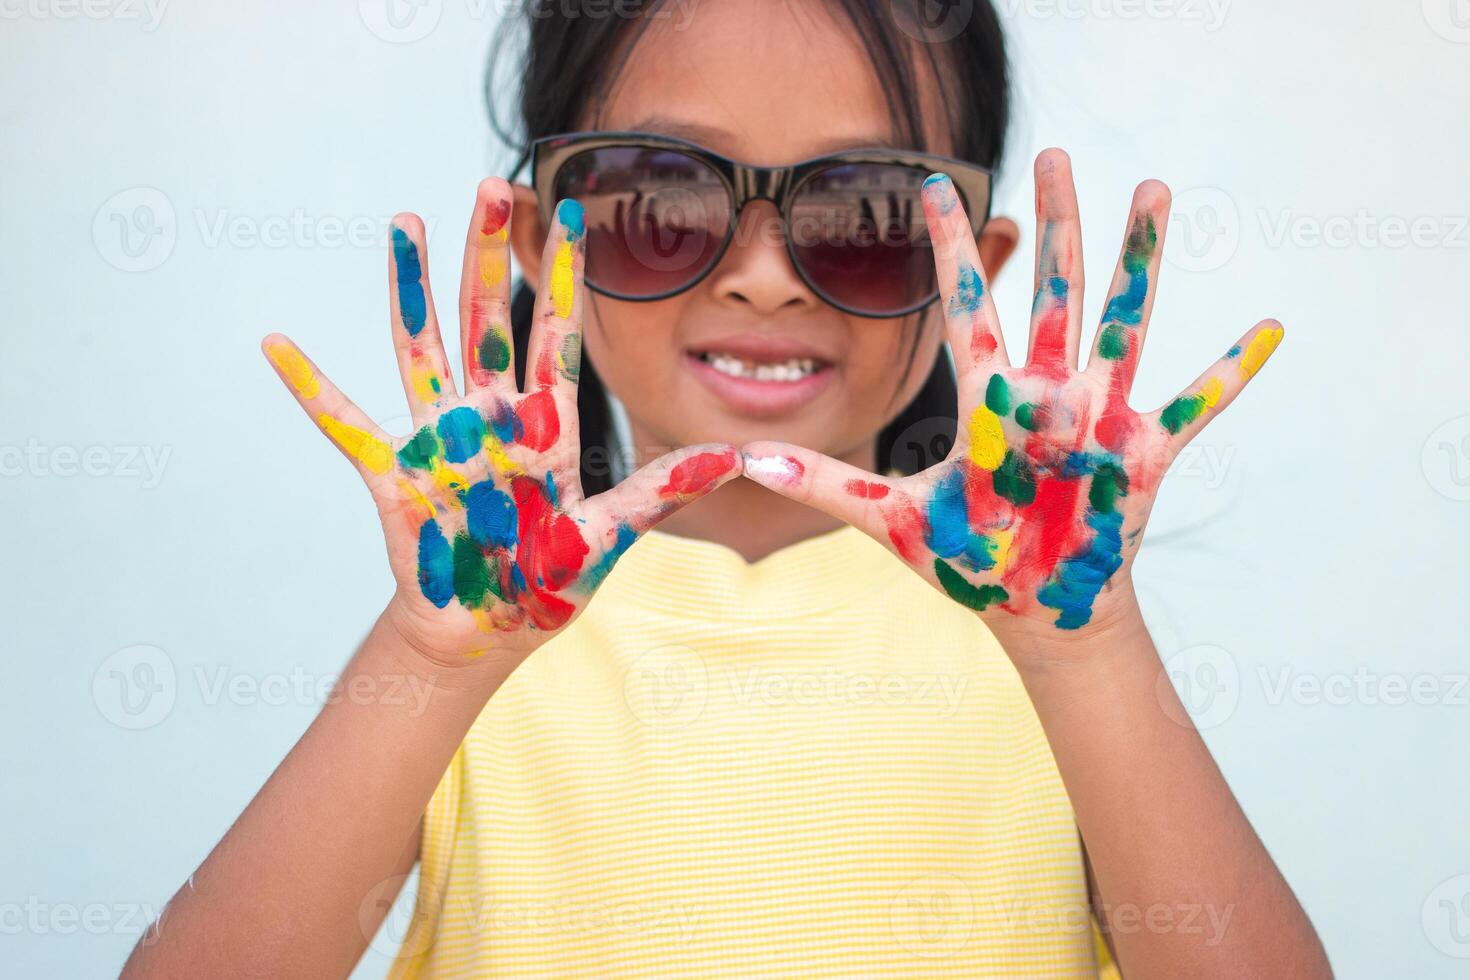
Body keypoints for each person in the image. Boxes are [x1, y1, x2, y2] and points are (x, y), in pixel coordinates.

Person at [122, 0, 1332, 976]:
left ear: (970, 276)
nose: (761, 277)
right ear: (549, 247)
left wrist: (1088, 658)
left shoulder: (1045, 645)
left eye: (862, 213)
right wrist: (431, 666)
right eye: (662, 198)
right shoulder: (470, 638)